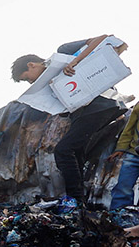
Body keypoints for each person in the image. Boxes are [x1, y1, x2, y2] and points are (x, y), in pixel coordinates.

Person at [12, 35, 129, 204]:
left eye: (27, 77)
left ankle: (75, 201)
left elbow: (105, 38)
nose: (30, 81)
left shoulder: (64, 52)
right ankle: (81, 203)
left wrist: (76, 61)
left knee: (63, 150)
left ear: (32, 64)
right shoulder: (48, 84)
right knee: (78, 154)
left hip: (99, 106)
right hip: (84, 113)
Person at [109, 104, 139, 209]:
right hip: (133, 154)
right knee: (123, 188)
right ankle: (117, 217)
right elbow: (129, 128)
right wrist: (121, 148)